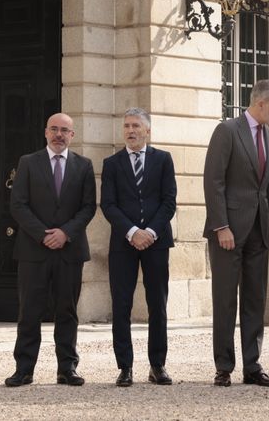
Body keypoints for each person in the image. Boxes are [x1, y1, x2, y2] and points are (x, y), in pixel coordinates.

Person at [203, 79, 269, 387]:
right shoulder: (227, 130)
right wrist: (220, 225)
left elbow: (268, 186)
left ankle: (252, 366)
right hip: (228, 231)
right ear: (260, 103)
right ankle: (223, 366)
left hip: (258, 232)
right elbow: (214, 182)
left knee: (255, 299)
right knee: (225, 300)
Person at [5, 112, 97, 387]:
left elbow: (88, 207)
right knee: (29, 312)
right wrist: (43, 235)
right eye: (54, 129)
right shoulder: (28, 163)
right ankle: (24, 369)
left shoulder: (84, 165)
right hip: (34, 250)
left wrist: (65, 233)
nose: (59, 134)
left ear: (72, 135)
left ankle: (67, 369)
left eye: (64, 130)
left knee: (67, 311)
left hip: (69, 251)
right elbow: (18, 204)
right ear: (45, 133)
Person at [100, 108, 177, 388]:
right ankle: (125, 367)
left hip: (157, 243)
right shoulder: (112, 163)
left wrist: (150, 232)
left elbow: (169, 201)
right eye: (127, 126)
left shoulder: (163, 160)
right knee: (121, 305)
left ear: (147, 131)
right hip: (123, 243)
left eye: (136, 126)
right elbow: (108, 204)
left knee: (158, 304)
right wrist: (133, 232)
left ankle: (157, 365)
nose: (130, 131)